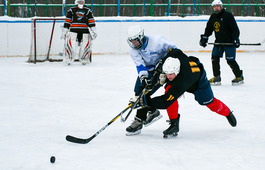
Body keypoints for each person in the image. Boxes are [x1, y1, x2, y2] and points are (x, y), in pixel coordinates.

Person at [140, 49, 237, 138]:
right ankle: (174, 124)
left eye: (170, 74)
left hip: (198, 82)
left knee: (209, 103)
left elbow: (166, 101)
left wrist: (147, 101)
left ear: (177, 71)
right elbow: (174, 51)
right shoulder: (174, 57)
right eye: (166, 73)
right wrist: (161, 65)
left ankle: (227, 112)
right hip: (185, 72)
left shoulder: (182, 81)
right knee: (168, 90)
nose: (168, 76)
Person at [126, 25, 178, 136]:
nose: (133, 43)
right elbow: (140, 65)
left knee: (144, 94)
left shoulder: (158, 41)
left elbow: (175, 50)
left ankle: (139, 120)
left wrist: (164, 60)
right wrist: (143, 77)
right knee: (138, 92)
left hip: (165, 70)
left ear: (141, 36)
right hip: (149, 71)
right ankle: (153, 111)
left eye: (135, 40)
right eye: (131, 41)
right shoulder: (133, 50)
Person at [199, 0, 244, 86]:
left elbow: (235, 29)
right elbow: (209, 29)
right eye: (214, 6)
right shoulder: (213, 17)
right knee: (214, 58)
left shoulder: (228, 16)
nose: (216, 8)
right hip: (218, 42)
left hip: (229, 43)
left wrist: (235, 39)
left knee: (230, 60)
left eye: (218, 6)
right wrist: (204, 38)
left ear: (221, 6)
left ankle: (239, 76)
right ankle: (217, 77)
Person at [63, 0, 97, 65]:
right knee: (70, 45)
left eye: (82, 1)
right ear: (76, 2)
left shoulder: (87, 10)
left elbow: (91, 21)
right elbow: (68, 20)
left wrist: (93, 29)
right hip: (73, 30)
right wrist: (65, 29)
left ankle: (84, 59)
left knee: (86, 45)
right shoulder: (71, 10)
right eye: (79, 1)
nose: (81, 3)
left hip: (85, 31)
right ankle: (69, 59)